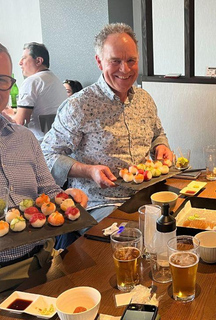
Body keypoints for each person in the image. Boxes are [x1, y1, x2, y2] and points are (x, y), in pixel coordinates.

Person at [41, 23, 173, 224]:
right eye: (115, 61)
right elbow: (46, 156)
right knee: (132, 236)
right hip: (102, 204)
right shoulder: (79, 106)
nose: (125, 69)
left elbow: (157, 133)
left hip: (147, 196)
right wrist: (89, 170)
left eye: (131, 60)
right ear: (99, 62)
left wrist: (161, 145)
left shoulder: (144, 99)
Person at [0, 43, 87, 292]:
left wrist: (64, 197)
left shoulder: (25, 138)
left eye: (3, 80)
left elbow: (47, 189)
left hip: (39, 263)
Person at [10, 42, 67, 140]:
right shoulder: (56, 80)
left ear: (38, 61)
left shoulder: (32, 81)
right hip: (59, 140)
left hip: (40, 143)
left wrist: (6, 114)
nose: (20, 62)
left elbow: (20, 122)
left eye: (24, 58)